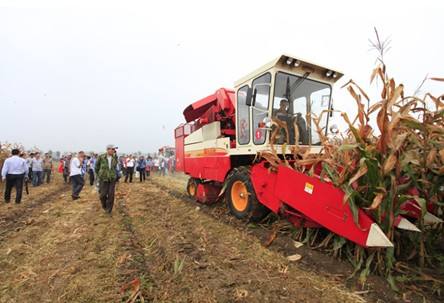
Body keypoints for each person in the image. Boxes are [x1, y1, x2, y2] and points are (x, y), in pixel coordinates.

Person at [95, 145, 120, 214]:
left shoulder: (115, 157)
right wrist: (100, 175)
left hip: (112, 178)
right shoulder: (101, 157)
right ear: (107, 150)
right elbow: (96, 167)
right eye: (112, 149)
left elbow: (115, 167)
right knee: (102, 195)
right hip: (103, 178)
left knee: (111, 195)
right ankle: (105, 206)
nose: (113, 151)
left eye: (114, 149)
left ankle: (109, 210)